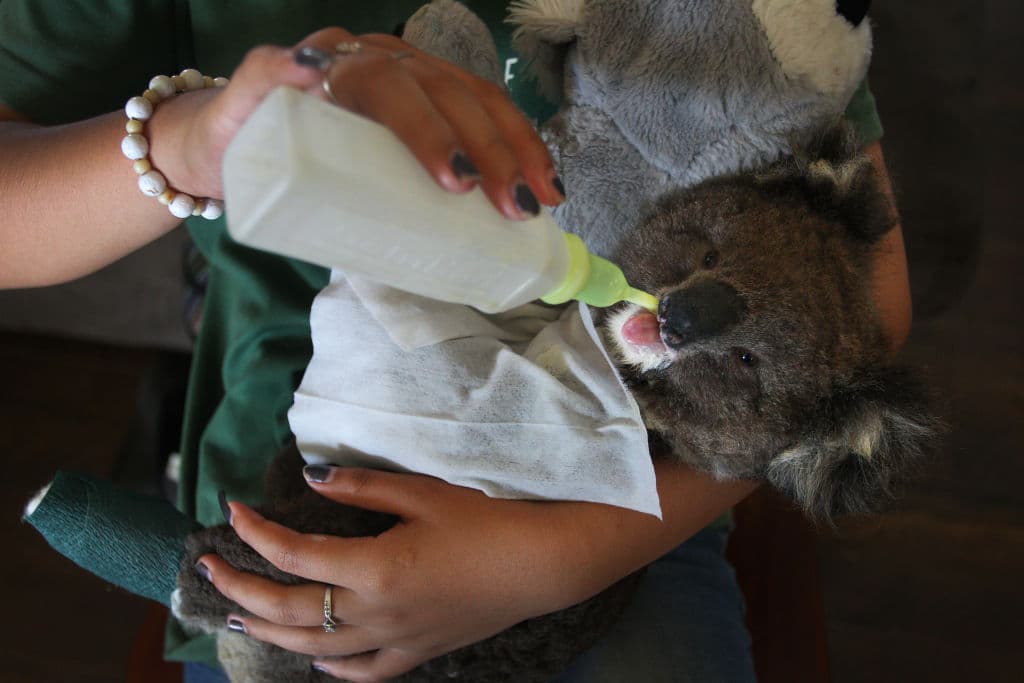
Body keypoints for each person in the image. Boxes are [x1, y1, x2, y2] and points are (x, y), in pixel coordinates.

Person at [0, 2, 911, 682]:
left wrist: (561, 558)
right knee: (266, 626)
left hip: (633, 477)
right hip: (296, 462)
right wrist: (189, 143)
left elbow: (862, 306)